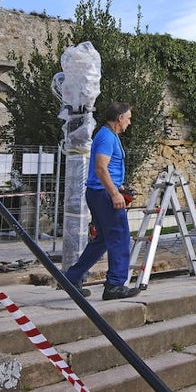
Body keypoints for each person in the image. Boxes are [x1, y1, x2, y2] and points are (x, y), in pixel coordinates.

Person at [63, 102, 140, 300]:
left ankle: (72, 278)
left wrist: (119, 187)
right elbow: (100, 168)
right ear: (119, 117)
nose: (129, 123)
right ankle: (115, 285)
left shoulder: (108, 136)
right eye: (128, 118)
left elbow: (105, 169)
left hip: (99, 192)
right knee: (119, 238)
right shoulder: (106, 137)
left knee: (102, 240)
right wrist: (115, 193)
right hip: (104, 194)